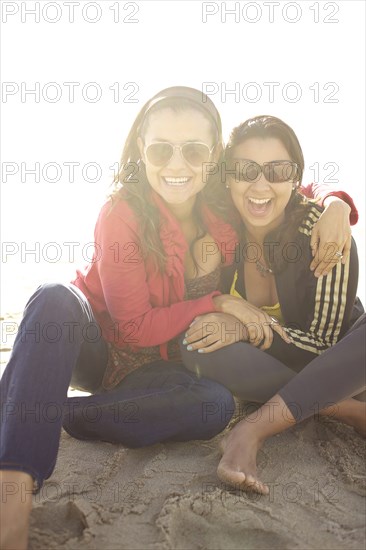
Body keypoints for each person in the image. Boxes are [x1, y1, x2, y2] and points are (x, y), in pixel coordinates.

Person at [0, 90, 358, 550]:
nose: (177, 162)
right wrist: (218, 302)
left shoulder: (221, 205)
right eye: (160, 148)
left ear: (213, 160)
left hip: (161, 365)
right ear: (140, 151)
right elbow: (131, 328)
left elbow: (282, 187)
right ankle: (13, 492)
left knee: (213, 406)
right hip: (98, 344)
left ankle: (55, 412)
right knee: (53, 298)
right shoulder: (121, 214)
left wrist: (338, 204)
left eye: (194, 150)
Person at [180, 114, 365, 494]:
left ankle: (253, 428)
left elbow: (324, 350)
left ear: (295, 177)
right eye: (246, 170)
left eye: (278, 170)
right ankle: (344, 410)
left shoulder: (323, 235)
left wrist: (250, 326)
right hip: (277, 367)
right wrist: (227, 308)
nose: (261, 184)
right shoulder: (217, 232)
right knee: (197, 345)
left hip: (345, 365)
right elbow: (192, 306)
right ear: (228, 175)